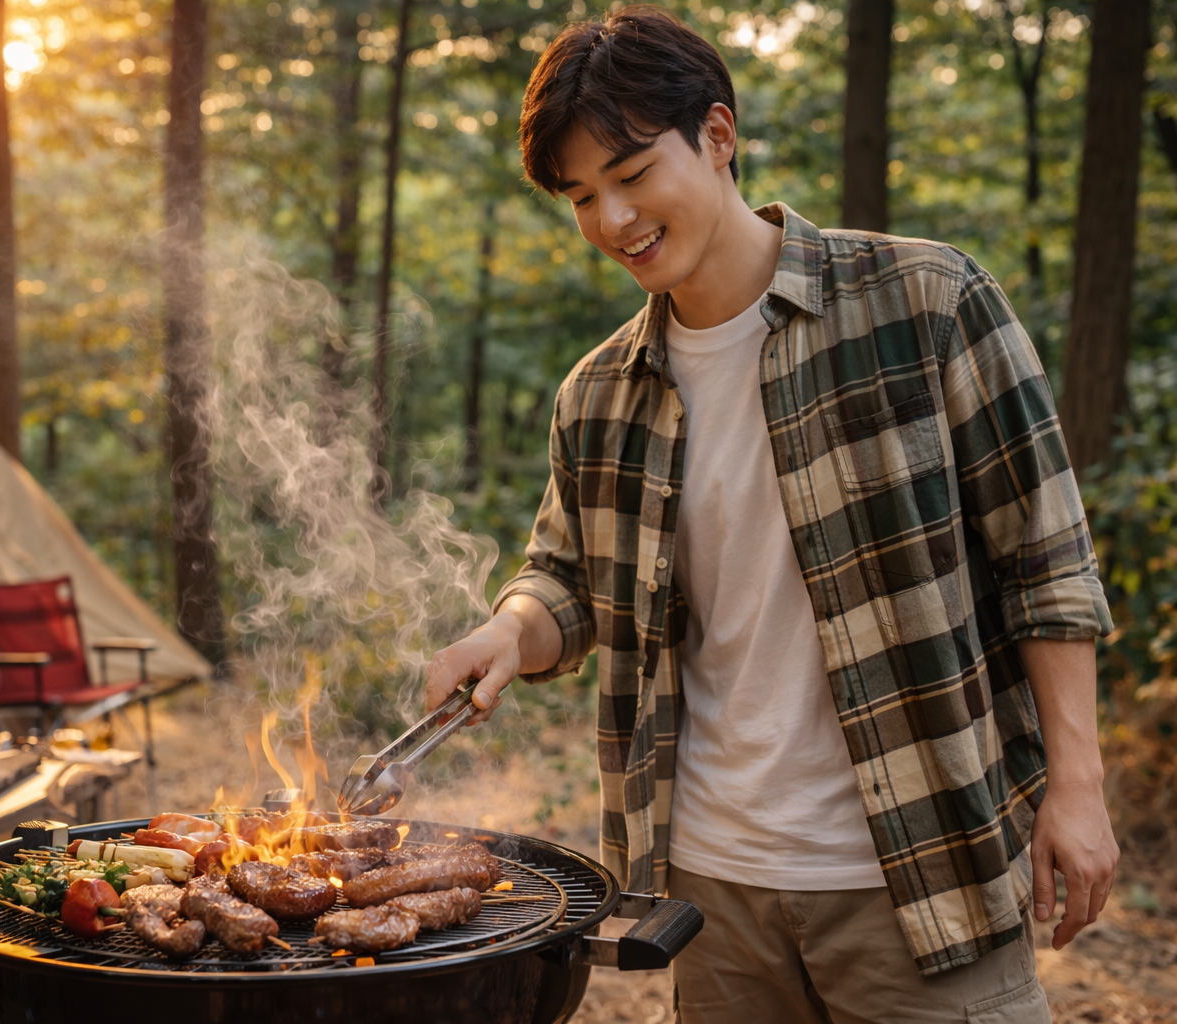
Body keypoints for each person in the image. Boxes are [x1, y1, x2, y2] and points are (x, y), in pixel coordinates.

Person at [424, 7, 1119, 1021]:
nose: (612, 220)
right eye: (580, 197)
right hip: (713, 890)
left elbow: (1046, 559)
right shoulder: (599, 393)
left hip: (920, 865)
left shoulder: (926, 303)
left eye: (631, 174)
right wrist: (505, 630)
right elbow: (566, 581)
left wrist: (1078, 784)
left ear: (718, 134)